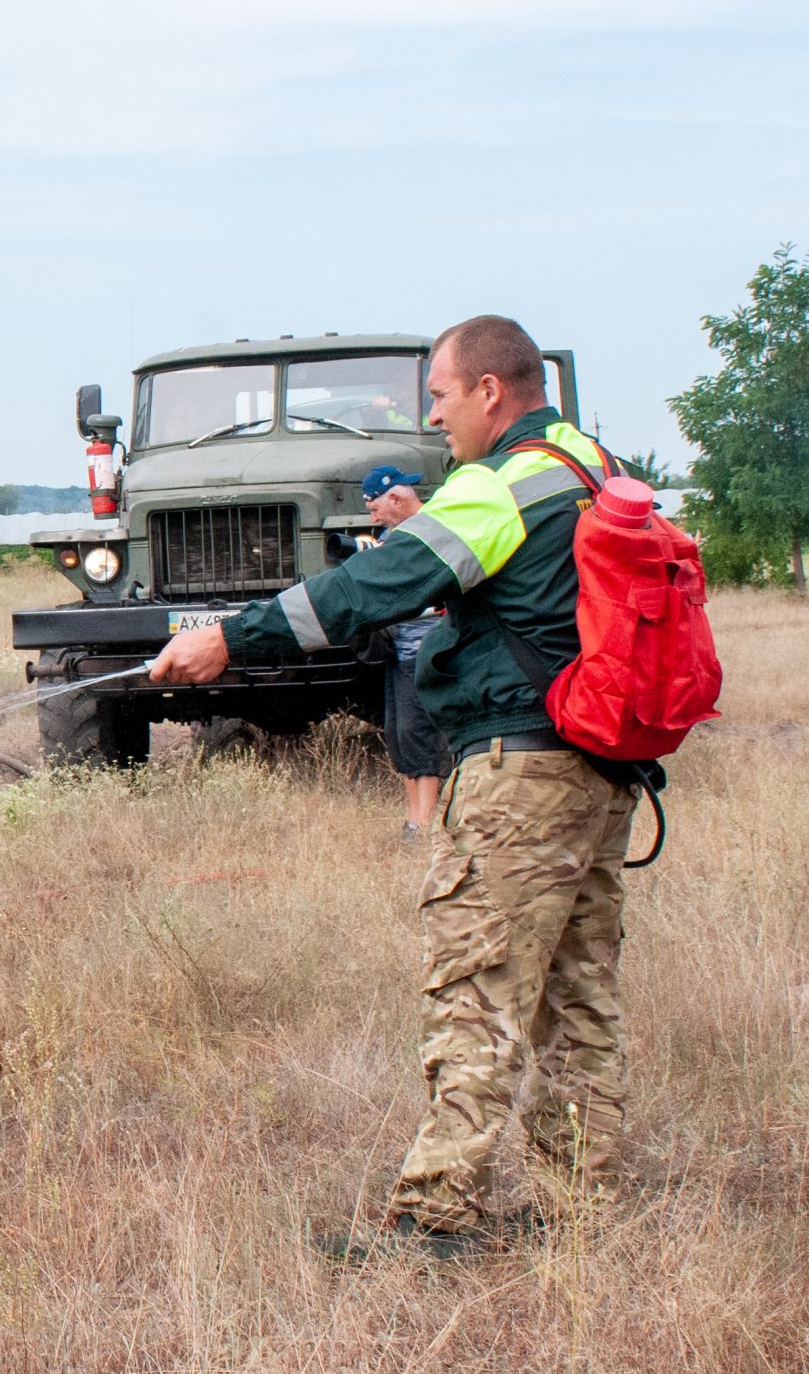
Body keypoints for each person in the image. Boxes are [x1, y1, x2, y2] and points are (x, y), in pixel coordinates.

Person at [150, 315, 638, 1258]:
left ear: (492, 391)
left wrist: (230, 637)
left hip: (520, 773)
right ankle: (584, 1199)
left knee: (477, 989)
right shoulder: (592, 466)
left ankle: (436, 1218)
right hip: (599, 764)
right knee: (579, 991)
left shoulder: (501, 484)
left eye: (443, 396)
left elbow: (381, 587)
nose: (435, 415)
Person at [363, 464, 453, 840]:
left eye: (375, 509)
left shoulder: (435, 527)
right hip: (397, 650)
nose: (374, 517)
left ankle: (426, 823)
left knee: (421, 733)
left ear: (396, 499)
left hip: (427, 649)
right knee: (399, 734)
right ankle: (413, 817)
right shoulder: (390, 536)